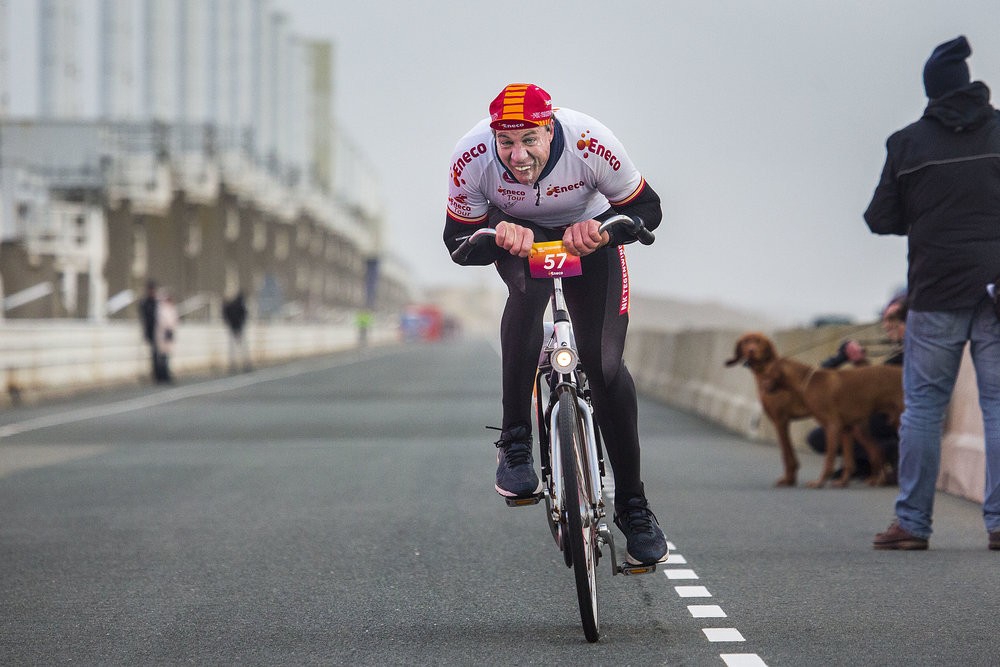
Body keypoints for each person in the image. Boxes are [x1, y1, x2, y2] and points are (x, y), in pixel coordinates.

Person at [443, 83, 667, 564]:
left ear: (550, 128)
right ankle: (516, 443)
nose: (517, 155)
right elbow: (457, 241)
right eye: (507, 143)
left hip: (587, 234)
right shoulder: (471, 156)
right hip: (518, 236)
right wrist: (498, 233)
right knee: (528, 293)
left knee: (603, 366)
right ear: (493, 138)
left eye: (529, 140)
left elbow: (648, 209)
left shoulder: (591, 141)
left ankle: (633, 505)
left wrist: (604, 231)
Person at [864, 36, 1000, 551]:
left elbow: (881, 218)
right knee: (998, 406)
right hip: (998, 291)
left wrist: (928, 212)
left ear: (931, 91)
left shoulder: (908, 144)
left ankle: (913, 525)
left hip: (936, 287)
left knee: (922, 407)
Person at [806, 294, 907, 481]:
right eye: (885, 319)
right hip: (878, 415)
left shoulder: (915, 354)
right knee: (819, 436)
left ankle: (887, 457)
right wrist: (848, 357)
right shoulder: (895, 354)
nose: (887, 325)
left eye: (894, 319)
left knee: (852, 424)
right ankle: (864, 463)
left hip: (894, 418)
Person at [138, 280, 163, 383]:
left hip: (160, 331)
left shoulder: (157, 302)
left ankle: (161, 373)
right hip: (151, 331)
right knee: (154, 353)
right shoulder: (145, 302)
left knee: (161, 353)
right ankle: (156, 374)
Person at [223, 291, 252, 372]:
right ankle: (246, 365)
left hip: (233, 328)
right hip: (239, 328)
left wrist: (231, 325)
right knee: (243, 348)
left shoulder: (230, 305)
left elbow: (226, 315)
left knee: (233, 349)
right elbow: (244, 316)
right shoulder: (240, 306)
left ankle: (233, 365)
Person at [154, 292, 178, 384]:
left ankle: (166, 374)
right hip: (163, 333)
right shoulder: (161, 309)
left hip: (169, 333)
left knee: (167, 355)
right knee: (162, 356)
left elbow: (174, 320)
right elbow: (162, 321)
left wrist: (171, 328)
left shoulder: (171, 309)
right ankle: (162, 375)